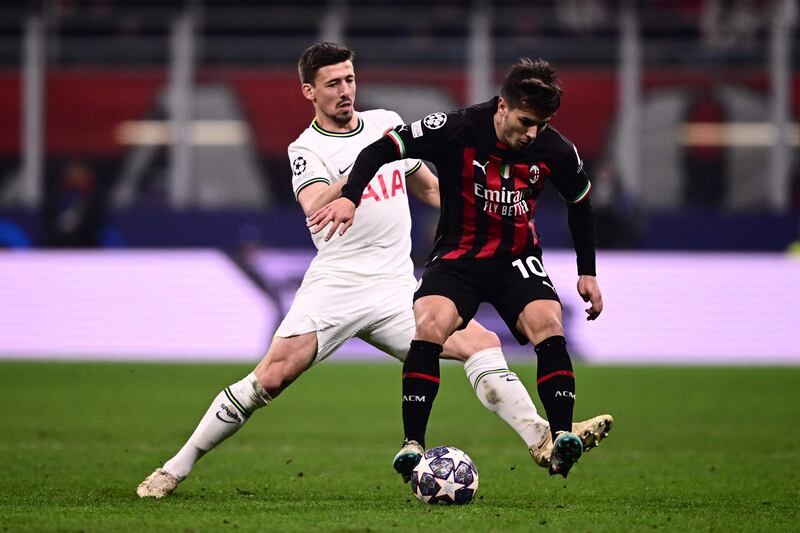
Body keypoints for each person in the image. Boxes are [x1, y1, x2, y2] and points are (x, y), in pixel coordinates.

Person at [137, 45, 610, 498]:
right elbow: (316, 204)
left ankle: (542, 438)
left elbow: (428, 188)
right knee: (271, 378)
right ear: (310, 92)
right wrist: (364, 163)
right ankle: (173, 468)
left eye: (350, 78)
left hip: (397, 286)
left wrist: (482, 209)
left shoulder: (385, 123)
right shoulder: (305, 149)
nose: (345, 90)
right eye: (332, 83)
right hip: (338, 284)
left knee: (481, 345)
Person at [309, 57, 610, 479]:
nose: (531, 133)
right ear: (502, 106)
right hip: (459, 255)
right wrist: (352, 196)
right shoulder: (455, 127)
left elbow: (580, 204)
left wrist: (588, 271)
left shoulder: (556, 148)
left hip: (515, 257)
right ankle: (413, 442)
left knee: (548, 320)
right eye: (525, 121)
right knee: (430, 322)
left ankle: (560, 436)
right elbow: (382, 148)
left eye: (540, 124)